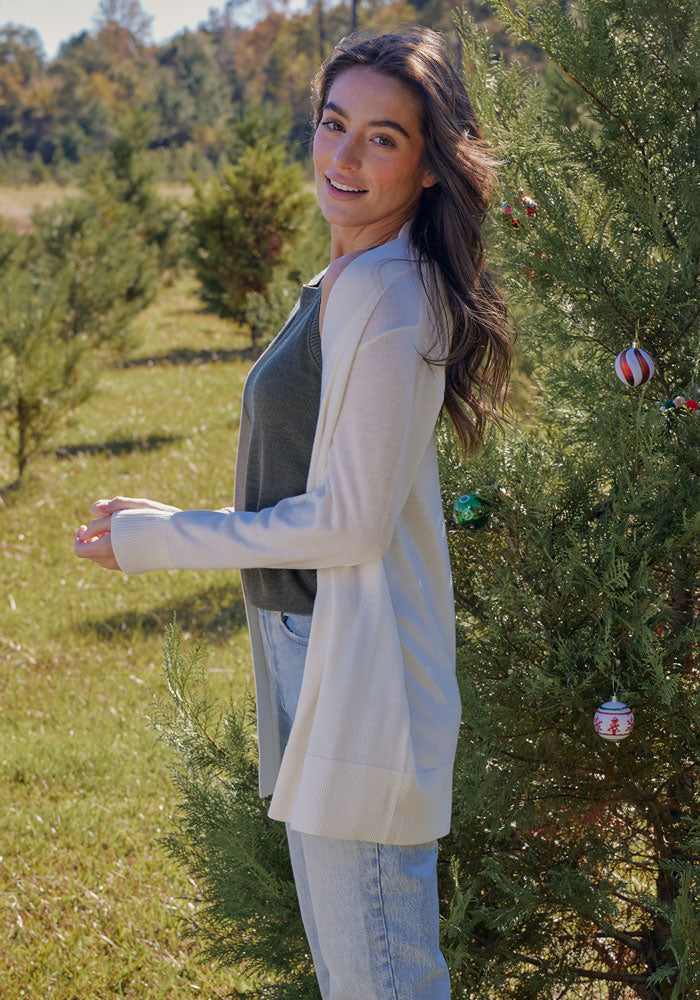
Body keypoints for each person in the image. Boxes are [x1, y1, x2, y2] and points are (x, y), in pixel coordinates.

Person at [74, 26, 514, 1000]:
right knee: (355, 966)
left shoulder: (391, 298)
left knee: (380, 973)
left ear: (431, 166)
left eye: (382, 138)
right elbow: (303, 481)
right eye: (332, 124)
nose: (344, 157)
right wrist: (168, 515)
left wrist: (161, 538)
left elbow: (349, 524)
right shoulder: (348, 280)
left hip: (351, 664)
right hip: (306, 640)